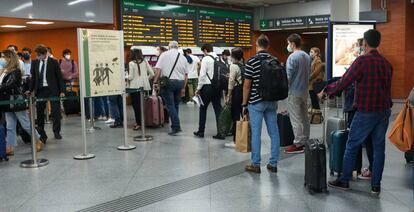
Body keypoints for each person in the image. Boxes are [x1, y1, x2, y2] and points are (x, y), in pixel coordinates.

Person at [320, 29, 392, 195]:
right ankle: (376, 186)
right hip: (383, 111)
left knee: (352, 145)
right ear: (378, 43)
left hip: (366, 111)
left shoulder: (361, 61)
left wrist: (328, 91)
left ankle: (344, 180)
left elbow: (345, 81)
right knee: (379, 148)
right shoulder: (387, 64)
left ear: (364, 43)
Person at [242, 34, 280, 173]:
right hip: (272, 101)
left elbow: (247, 85)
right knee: (274, 133)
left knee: (256, 133)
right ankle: (273, 163)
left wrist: (244, 104)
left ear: (257, 45)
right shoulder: (275, 60)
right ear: (268, 46)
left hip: (256, 102)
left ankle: (256, 164)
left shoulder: (251, 61)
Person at [0, 50, 44, 155]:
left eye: (4, 57)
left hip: (16, 101)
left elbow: (10, 84)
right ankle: (9, 147)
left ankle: (38, 140)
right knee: (10, 126)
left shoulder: (16, 71)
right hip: (7, 101)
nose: (2, 59)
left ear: (10, 58)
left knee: (25, 124)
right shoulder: (4, 71)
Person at [29, 44, 65, 141]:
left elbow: (59, 78)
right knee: (40, 111)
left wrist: (62, 91)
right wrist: (30, 89)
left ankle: (56, 132)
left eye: (39, 54)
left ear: (45, 54)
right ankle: (41, 133)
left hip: (53, 89)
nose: (37, 56)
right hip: (41, 90)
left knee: (55, 111)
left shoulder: (54, 62)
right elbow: (33, 78)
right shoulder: (35, 62)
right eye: (37, 55)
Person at [284, 34, 312, 154]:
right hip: (305, 91)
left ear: (293, 44)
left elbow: (288, 77)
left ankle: (298, 143)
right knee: (305, 117)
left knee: (295, 119)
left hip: (294, 92)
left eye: (288, 43)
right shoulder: (307, 56)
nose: (288, 46)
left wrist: (284, 87)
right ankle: (305, 140)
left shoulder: (292, 57)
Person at [153, 41, 188, 135]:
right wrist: (183, 88)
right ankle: (175, 125)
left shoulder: (164, 55)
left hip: (168, 83)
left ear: (169, 47)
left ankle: (176, 126)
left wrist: (155, 82)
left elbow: (158, 70)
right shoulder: (183, 57)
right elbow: (186, 75)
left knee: (170, 105)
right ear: (177, 47)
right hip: (180, 83)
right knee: (176, 105)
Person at [192, 43, 223, 139]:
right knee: (218, 109)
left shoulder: (205, 59)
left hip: (207, 87)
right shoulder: (219, 58)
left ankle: (201, 131)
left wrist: (198, 89)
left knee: (203, 108)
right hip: (217, 87)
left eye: (203, 52)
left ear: (205, 50)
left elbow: (202, 75)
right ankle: (221, 133)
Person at [127, 48, 154, 130]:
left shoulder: (131, 63)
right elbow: (152, 74)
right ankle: (143, 121)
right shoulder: (145, 61)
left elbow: (131, 77)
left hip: (134, 88)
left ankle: (139, 123)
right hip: (144, 87)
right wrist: (146, 79)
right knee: (143, 105)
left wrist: (125, 77)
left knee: (136, 106)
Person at [224, 47, 244, 148]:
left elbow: (231, 82)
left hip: (236, 92)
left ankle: (235, 141)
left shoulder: (233, 66)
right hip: (243, 92)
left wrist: (228, 95)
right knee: (243, 115)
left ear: (232, 56)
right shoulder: (242, 65)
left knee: (235, 116)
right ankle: (246, 137)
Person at [308, 47, 324, 111]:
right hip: (312, 83)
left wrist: (308, 78)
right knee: (313, 100)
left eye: (312, 52)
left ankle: (317, 116)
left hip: (314, 83)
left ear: (316, 53)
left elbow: (315, 72)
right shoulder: (314, 60)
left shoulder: (318, 61)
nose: (310, 53)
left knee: (314, 100)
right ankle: (315, 115)